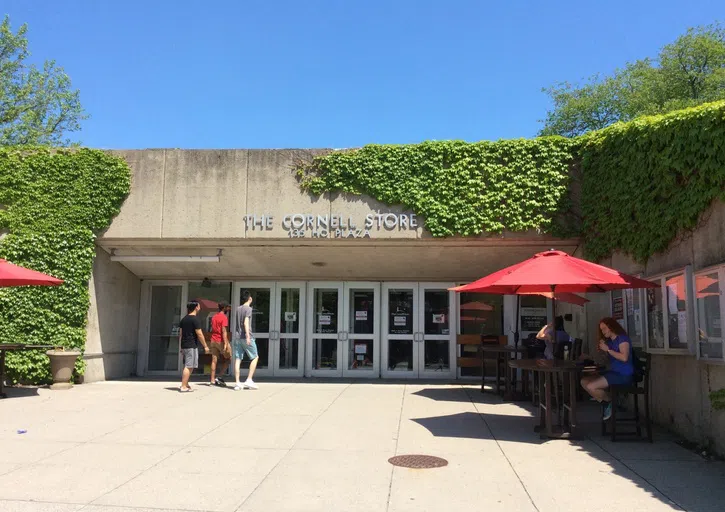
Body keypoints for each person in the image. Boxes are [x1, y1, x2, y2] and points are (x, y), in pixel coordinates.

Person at [580, 317, 635, 420]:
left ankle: (610, 402)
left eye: (604, 328)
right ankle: (610, 401)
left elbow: (624, 357)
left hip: (623, 374)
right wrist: (598, 353)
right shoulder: (610, 342)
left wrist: (608, 350)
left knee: (592, 387)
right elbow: (605, 361)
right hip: (613, 373)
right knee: (584, 381)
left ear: (612, 327)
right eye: (601, 330)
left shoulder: (622, 339)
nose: (603, 331)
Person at [179, 301, 210, 393]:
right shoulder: (195, 319)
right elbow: (199, 334)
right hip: (191, 345)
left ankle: (186, 383)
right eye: (199, 305)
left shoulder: (184, 319)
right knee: (189, 366)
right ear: (196, 307)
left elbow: (181, 334)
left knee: (190, 365)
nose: (200, 307)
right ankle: (183, 386)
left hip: (185, 345)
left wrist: (181, 347)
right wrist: (205, 346)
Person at [234, 290, 259, 390]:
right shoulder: (248, 309)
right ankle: (249, 379)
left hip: (237, 337)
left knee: (238, 359)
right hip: (246, 336)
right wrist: (248, 336)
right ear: (250, 298)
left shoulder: (238, 309)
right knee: (255, 357)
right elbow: (246, 322)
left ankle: (237, 382)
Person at [209, 301, 231, 387]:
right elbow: (224, 331)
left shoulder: (214, 317)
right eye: (227, 307)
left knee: (214, 360)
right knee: (229, 358)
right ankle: (219, 376)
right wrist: (226, 343)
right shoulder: (224, 317)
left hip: (213, 340)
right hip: (220, 340)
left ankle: (212, 380)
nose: (228, 309)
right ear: (224, 308)